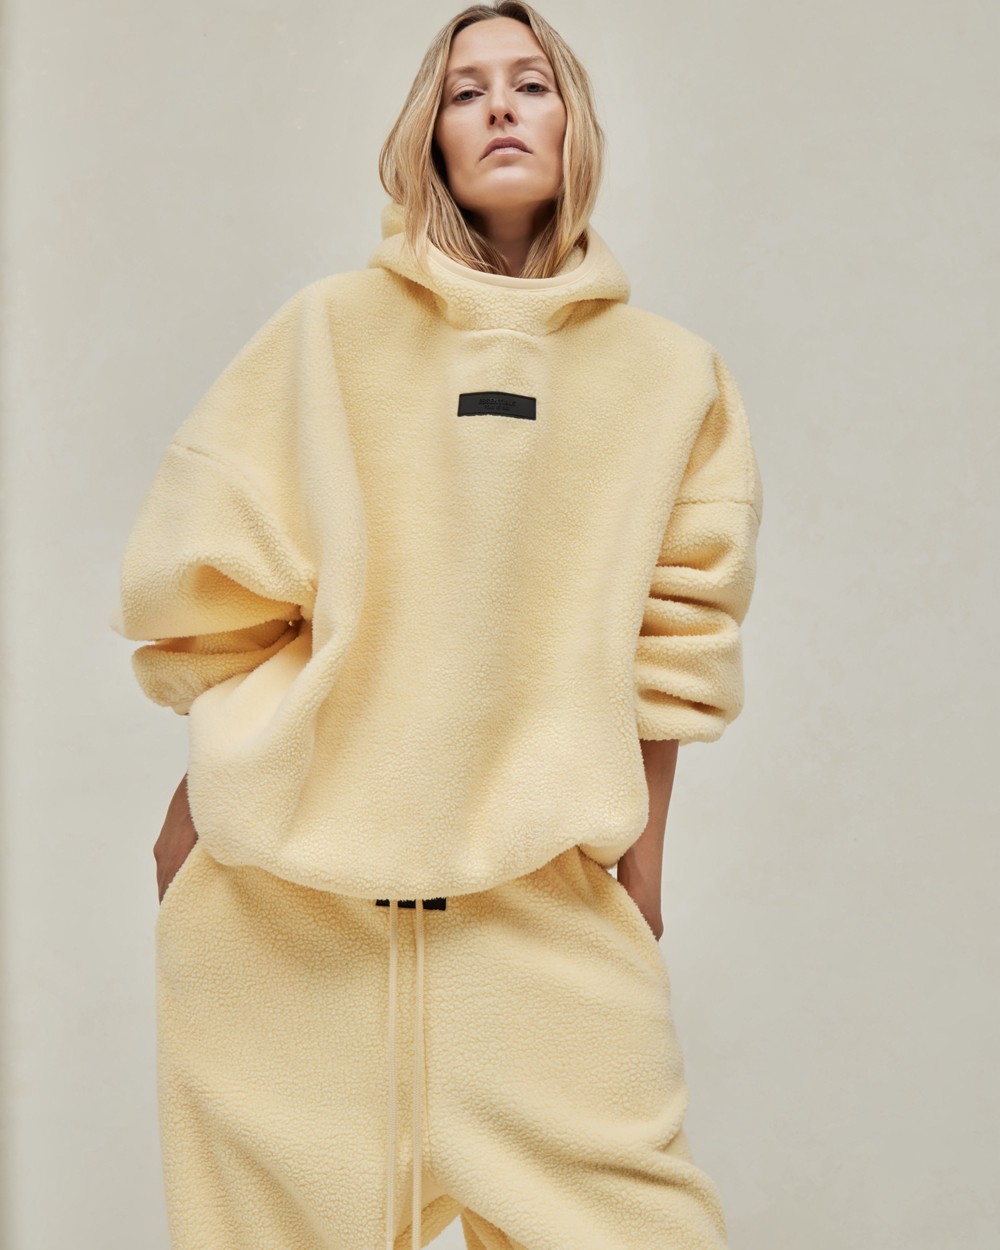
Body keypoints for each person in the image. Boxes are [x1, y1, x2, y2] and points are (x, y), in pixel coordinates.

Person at [109, 4, 764, 1248]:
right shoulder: (325, 333)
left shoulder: (674, 377)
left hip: (537, 929)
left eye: (531, 83)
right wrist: (194, 816)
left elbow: (674, 644)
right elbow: (229, 596)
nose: (500, 106)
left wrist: (638, 878)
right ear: (431, 135)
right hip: (286, 927)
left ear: (574, 124)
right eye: (467, 91)